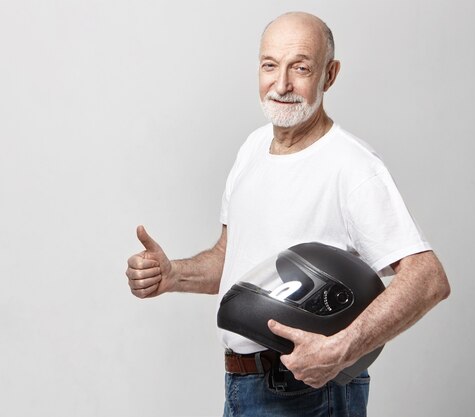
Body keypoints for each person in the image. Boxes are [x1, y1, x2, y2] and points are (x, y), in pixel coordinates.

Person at [126, 11, 450, 417]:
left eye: (300, 68)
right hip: (243, 386)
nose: (281, 85)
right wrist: (174, 274)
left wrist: (341, 348)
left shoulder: (351, 166)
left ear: (329, 75)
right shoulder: (252, 149)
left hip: (310, 393)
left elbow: (428, 277)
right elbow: (232, 258)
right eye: (269, 66)